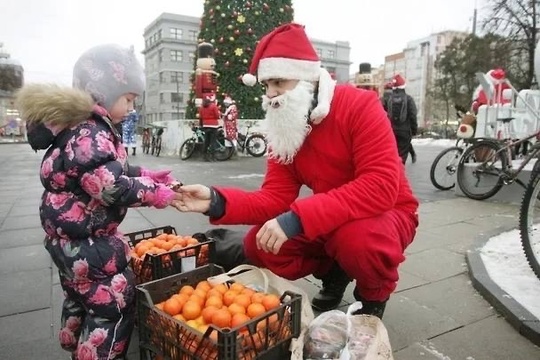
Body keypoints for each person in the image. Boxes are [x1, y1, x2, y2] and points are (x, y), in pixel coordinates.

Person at [173, 23, 419, 318]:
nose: (272, 95)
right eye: (266, 86)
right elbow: (274, 198)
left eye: (279, 82)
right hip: (333, 215)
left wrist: (298, 219)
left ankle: (372, 297)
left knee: (356, 239)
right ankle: (334, 271)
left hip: (386, 213)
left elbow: (380, 186)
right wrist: (216, 199)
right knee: (260, 244)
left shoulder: (359, 105)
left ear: (307, 78)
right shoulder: (286, 125)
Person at [15, 44, 179, 360]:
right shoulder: (91, 131)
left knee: (78, 294)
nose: (132, 106)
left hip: (69, 241)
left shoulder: (79, 128)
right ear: (103, 93)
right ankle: (94, 353)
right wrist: (155, 193)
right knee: (113, 305)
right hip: (90, 243)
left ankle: (73, 335)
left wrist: (146, 173)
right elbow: (109, 186)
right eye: (129, 98)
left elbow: (108, 168)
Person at [383, 74, 418, 164]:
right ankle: (398, 175)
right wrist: (414, 130)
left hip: (391, 131)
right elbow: (413, 115)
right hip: (405, 131)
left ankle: (392, 174)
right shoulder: (408, 99)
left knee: (392, 155)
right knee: (401, 157)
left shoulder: (388, 99)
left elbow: (383, 115)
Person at [198, 96, 221, 161]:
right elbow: (217, 115)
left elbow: (200, 117)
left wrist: (201, 125)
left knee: (206, 141)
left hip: (205, 125)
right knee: (213, 141)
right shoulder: (213, 106)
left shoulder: (202, 107)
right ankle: (213, 156)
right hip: (213, 125)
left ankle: (204, 155)